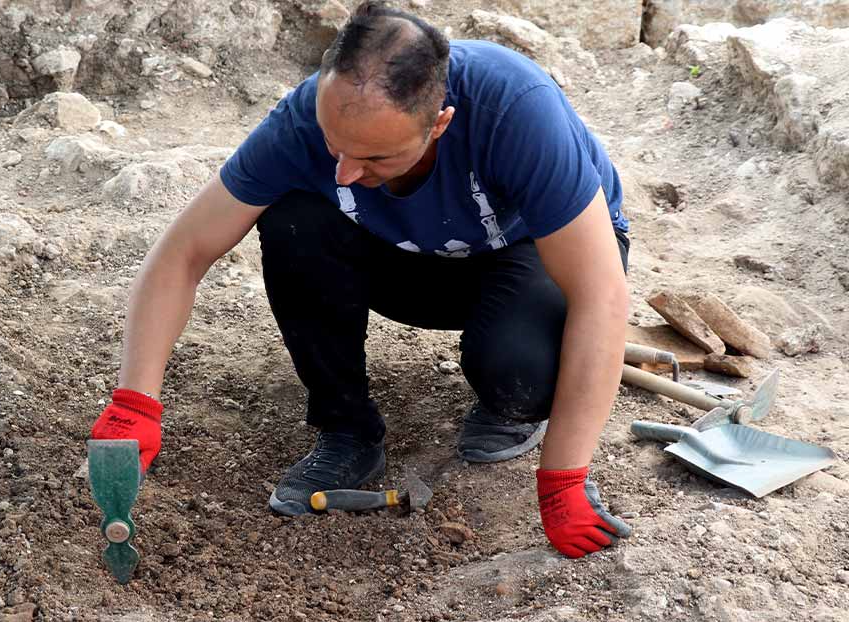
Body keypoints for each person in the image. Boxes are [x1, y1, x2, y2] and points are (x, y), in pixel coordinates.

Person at [90, 1, 634, 559]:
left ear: (440, 121)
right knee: (293, 218)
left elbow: (602, 294)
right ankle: (346, 430)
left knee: (517, 373)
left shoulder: (513, 110)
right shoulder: (308, 118)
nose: (346, 171)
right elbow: (183, 252)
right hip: (414, 256)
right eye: (334, 146)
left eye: (375, 156)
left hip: (532, 253)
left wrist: (563, 481)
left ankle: (508, 407)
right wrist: (136, 399)